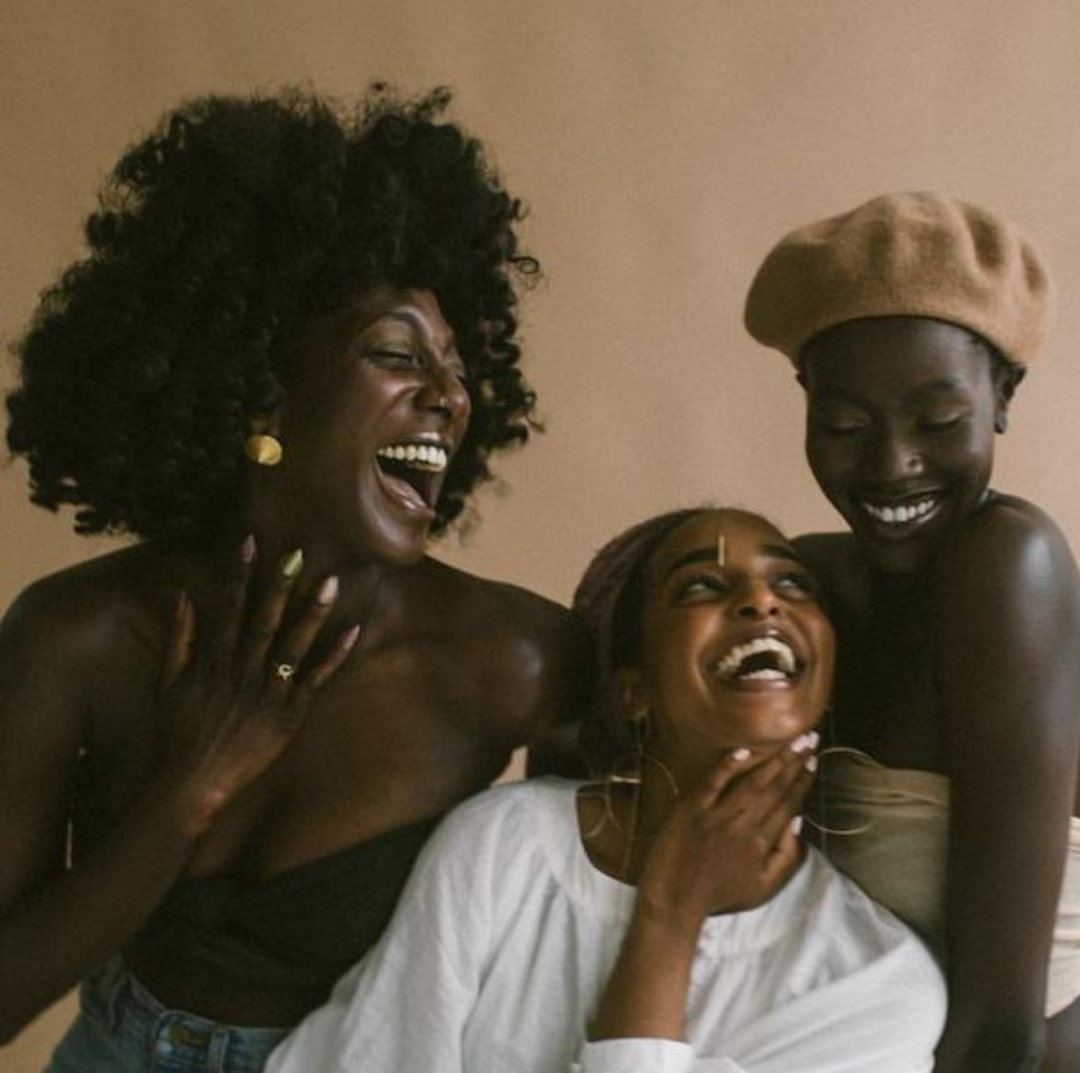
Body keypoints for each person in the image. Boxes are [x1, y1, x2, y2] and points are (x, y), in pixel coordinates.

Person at [0, 85, 589, 1071]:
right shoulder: (77, 638)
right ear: (261, 392)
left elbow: (582, 948)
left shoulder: (517, 663)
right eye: (397, 355)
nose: (450, 398)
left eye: (456, 368)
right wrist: (194, 784)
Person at [265, 505, 946, 1073]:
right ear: (631, 691)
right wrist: (669, 909)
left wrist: (669, 922)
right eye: (700, 586)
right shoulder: (505, 847)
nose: (763, 601)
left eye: (793, 584)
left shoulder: (877, 987)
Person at [744, 191, 1080, 1073]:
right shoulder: (805, 582)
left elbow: (1002, 1023)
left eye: (938, 423)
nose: (892, 464)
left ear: (1003, 396)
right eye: (845, 425)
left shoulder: (1009, 564)